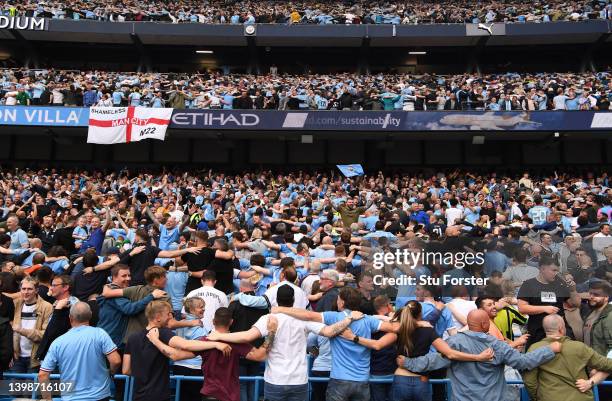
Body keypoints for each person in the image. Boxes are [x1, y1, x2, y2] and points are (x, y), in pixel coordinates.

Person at [208, 285, 363, 401]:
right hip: (299, 381)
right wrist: (349, 318)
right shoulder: (303, 319)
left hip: (275, 381)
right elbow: (330, 332)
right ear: (294, 300)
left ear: (277, 300)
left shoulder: (268, 318)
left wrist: (219, 336)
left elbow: (246, 337)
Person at [343, 300, 494, 401]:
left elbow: (377, 345)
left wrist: (353, 337)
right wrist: (478, 357)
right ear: (420, 314)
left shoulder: (398, 330)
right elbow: (450, 353)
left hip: (400, 379)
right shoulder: (428, 331)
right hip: (421, 381)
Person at [399, 310, 561, 401]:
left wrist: (406, 362)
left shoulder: (453, 342)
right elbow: (523, 362)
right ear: (485, 324)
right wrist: (550, 349)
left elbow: (430, 362)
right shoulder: (496, 344)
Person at [271, 287, 400, 401]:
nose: (337, 301)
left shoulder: (335, 317)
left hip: (339, 381)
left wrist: (280, 309)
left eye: (338, 299)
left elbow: (308, 315)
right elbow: (395, 329)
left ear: (342, 302)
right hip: (362, 381)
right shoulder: (367, 320)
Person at [155, 307, 277, 401]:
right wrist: (271, 331)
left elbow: (177, 355)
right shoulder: (238, 343)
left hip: (210, 394)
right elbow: (260, 355)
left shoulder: (203, 341)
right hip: (230, 395)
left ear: (213, 321)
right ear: (231, 322)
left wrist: (156, 341)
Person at [122, 300, 232, 401]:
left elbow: (126, 370)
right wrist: (215, 343)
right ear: (158, 317)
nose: (171, 316)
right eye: (168, 314)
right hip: (159, 395)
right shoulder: (163, 333)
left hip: (138, 395)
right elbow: (186, 345)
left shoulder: (133, 337)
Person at [39, 302, 122, 401]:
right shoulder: (100, 334)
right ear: (90, 316)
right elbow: (116, 361)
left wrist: (48, 399)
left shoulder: (58, 342)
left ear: (70, 318)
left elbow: (43, 375)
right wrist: (110, 373)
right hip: (100, 396)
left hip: (71, 398)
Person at [523, 314, 612, 401]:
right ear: (561, 329)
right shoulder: (579, 347)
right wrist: (591, 382)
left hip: (549, 396)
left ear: (545, 329)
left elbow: (529, 380)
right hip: (581, 397)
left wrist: (538, 397)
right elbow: (608, 365)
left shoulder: (535, 348)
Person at [97, 264, 165, 350]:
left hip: (113, 339)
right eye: (124, 276)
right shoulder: (113, 293)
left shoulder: (116, 290)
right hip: (111, 340)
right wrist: (151, 296)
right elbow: (129, 309)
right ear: (114, 277)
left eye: (129, 275)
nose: (128, 278)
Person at [518, 256, 581, 349]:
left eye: (557, 271)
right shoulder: (529, 285)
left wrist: (573, 290)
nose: (556, 274)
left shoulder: (560, 284)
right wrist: (544, 308)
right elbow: (522, 308)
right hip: (538, 330)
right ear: (542, 269)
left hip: (560, 329)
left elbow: (575, 304)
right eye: (553, 270)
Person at [11, 276, 53, 372]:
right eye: (23, 289)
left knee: (31, 386)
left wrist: (22, 331)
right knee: (14, 386)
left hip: (35, 358)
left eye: (29, 289)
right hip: (18, 358)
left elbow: (45, 335)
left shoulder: (47, 307)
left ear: (36, 290)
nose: (26, 292)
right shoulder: (16, 304)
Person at [582, 281, 611, 355]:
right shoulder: (589, 312)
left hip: (602, 364)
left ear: (606, 298)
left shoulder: (609, 315)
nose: (591, 297)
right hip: (590, 361)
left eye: (596, 295)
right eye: (590, 293)